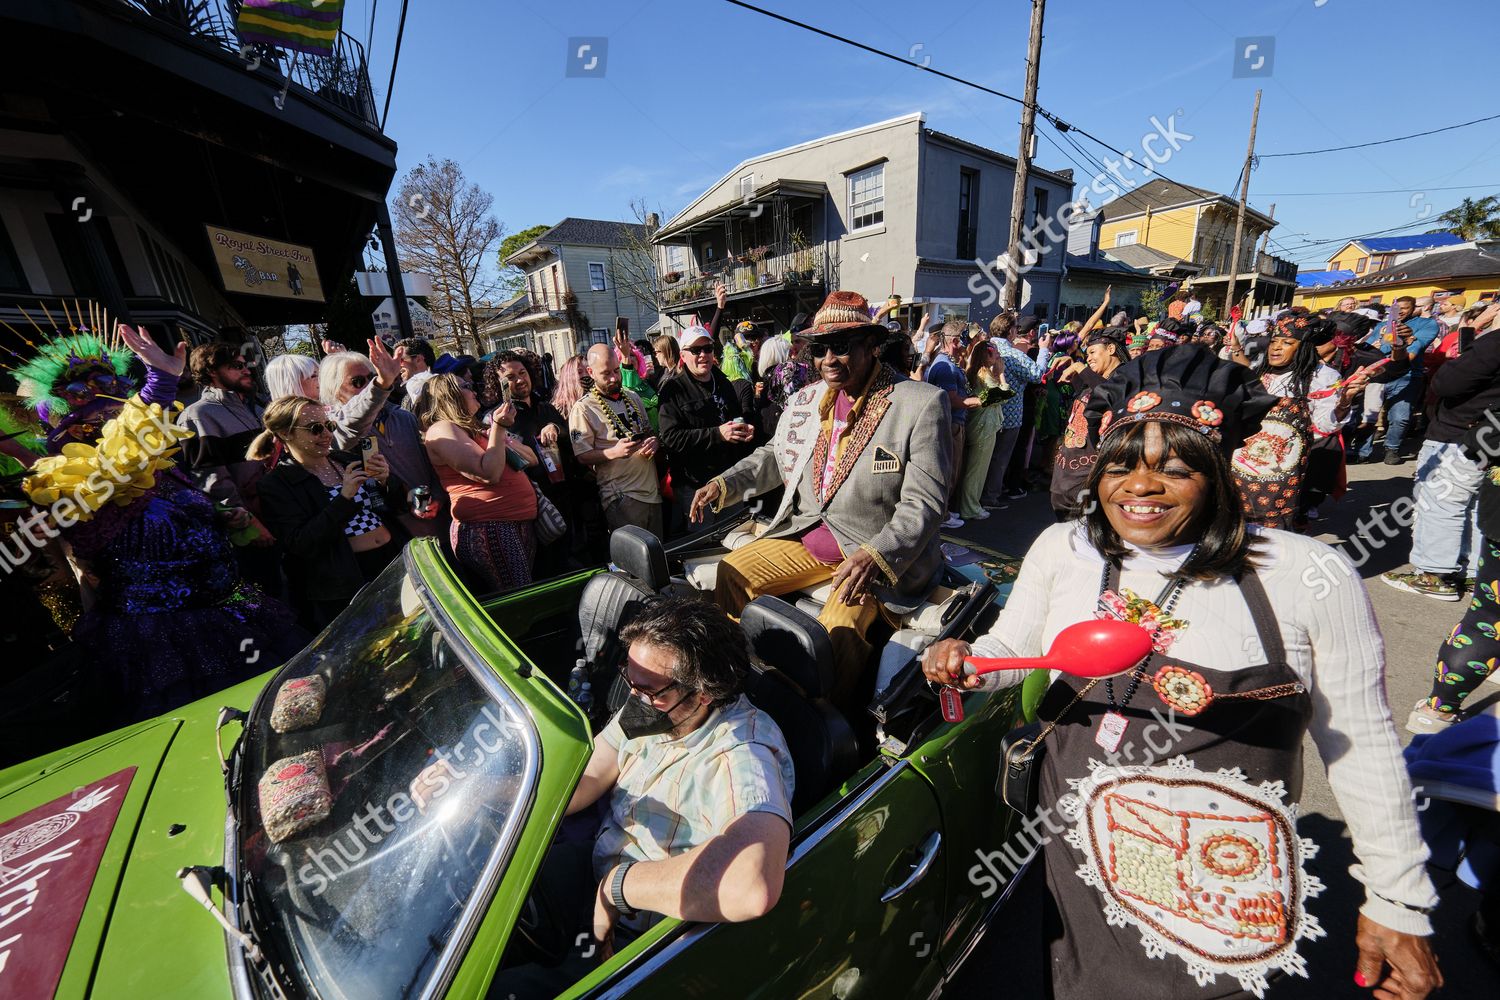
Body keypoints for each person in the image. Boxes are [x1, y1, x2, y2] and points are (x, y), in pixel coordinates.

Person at [923, 347, 1442, 1000]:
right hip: (1083, 863)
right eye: (1120, 466)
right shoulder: (1064, 550)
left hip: (1222, 890)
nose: (1139, 487)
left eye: (1174, 469)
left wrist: (1399, 903)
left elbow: (1360, 747)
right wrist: (968, 663)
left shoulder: (1305, 575)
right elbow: (1010, 650)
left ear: (1221, 473)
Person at [489, 595, 792, 993]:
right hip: (595, 879)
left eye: (647, 690)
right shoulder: (654, 701)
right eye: (628, 678)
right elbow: (590, 773)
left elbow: (750, 886)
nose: (633, 698)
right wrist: (489, 793)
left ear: (702, 693)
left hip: (640, 936)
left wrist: (618, 887)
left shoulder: (741, 755)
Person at [16, 318, 304, 723]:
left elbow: (174, 506)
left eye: (114, 388)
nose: (108, 400)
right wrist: (161, 381)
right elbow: (123, 460)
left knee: (280, 706)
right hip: (169, 639)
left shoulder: (158, 467)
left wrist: (222, 516)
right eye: (84, 396)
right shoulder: (71, 481)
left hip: (231, 612)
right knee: (222, 723)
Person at [689, 291, 951, 706]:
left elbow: (926, 504)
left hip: (872, 557)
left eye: (842, 346)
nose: (828, 358)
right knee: (732, 573)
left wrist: (874, 554)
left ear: (871, 345)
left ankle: (825, 718)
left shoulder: (920, 403)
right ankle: (740, 680)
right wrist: (724, 484)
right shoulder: (808, 400)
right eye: (819, 348)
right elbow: (774, 457)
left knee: (835, 632)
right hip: (808, 537)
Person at [253, 396, 406, 629]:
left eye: (329, 425)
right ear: (285, 434)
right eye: (315, 429)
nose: (326, 434)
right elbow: (301, 543)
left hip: (393, 561)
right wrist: (344, 499)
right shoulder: (277, 484)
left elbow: (392, 507)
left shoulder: (347, 460)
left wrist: (386, 482)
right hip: (347, 582)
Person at [1381, 310, 1500, 602]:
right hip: (1486, 435)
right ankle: (1471, 570)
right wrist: (1471, 334)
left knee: (1440, 504)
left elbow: (1448, 381)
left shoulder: (1495, 342)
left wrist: (1481, 334)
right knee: (1470, 505)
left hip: (1458, 434)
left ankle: (1434, 575)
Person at [1230, 311, 1366, 530]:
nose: (1275, 347)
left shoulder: (1322, 377)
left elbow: (1325, 424)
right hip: (1242, 461)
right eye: (1274, 341)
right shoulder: (1262, 370)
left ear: (1303, 347)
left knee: (1270, 525)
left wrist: (1344, 402)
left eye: (1287, 342)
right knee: (1233, 516)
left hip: (1281, 469)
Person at [417, 373, 540, 592]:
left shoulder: (474, 429)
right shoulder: (441, 429)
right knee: (520, 595)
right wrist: (499, 429)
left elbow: (531, 458)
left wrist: (496, 431)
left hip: (512, 524)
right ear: (449, 395)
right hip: (490, 527)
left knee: (522, 590)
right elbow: (487, 473)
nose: (474, 390)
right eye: (466, 386)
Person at [320, 345, 447, 538]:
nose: (369, 385)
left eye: (372, 377)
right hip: (391, 529)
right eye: (358, 381)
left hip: (434, 518)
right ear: (336, 391)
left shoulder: (404, 417)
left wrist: (437, 498)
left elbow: (432, 466)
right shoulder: (335, 429)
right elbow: (352, 424)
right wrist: (381, 383)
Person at [481, 353, 578, 574]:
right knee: (543, 565)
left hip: (562, 493)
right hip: (531, 504)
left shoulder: (545, 407)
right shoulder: (496, 419)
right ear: (499, 383)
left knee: (567, 555)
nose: (519, 380)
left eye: (522, 373)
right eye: (511, 377)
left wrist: (556, 427)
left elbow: (571, 438)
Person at [658, 326, 755, 531]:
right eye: (696, 350)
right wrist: (717, 434)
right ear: (683, 355)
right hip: (695, 484)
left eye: (708, 348)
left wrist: (744, 429)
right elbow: (670, 438)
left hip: (727, 479)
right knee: (705, 543)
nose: (703, 355)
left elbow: (735, 417)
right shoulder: (673, 390)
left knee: (735, 535)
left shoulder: (722, 382)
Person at [179, 342, 272, 538]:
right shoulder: (198, 415)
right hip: (254, 526)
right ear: (212, 371)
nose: (246, 371)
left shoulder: (257, 406)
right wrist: (249, 525)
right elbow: (213, 481)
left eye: (246, 365)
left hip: (281, 511)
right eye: (237, 366)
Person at [570, 344, 663, 537]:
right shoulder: (583, 408)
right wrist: (614, 452)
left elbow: (647, 432)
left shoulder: (633, 397)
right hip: (621, 496)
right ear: (591, 372)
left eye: (616, 371)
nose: (614, 378)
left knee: (658, 556)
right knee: (635, 561)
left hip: (652, 491)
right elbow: (582, 456)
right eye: (606, 373)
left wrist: (654, 442)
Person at [1050, 326, 1129, 519]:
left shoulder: (1125, 377)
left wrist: (1079, 367)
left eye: (1093, 352)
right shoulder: (1096, 377)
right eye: (1086, 355)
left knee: (1085, 528)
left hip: (1090, 472)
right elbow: (1087, 397)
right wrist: (1073, 367)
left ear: (1111, 349)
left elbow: (1110, 395)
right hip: (1067, 468)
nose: (1089, 358)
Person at [1357, 295, 1440, 464]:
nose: (1400, 311)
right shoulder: (1382, 325)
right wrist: (1381, 338)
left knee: (1400, 417)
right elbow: (1368, 349)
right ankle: (1362, 451)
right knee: (1369, 415)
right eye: (1396, 308)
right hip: (1379, 374)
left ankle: (1391, 449)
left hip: (1407, 375)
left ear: (1414, 308)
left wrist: (1407, 340)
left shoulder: (1426, 325)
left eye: (1404, 308)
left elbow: (1412, 352)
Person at [983, 315, 1054, 510]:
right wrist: (1044, 349)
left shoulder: (983, 348)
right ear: (1011, 331)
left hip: (983, 413)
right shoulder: (1013, 355)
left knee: (984, 458)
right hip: (1010, 413)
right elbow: (1037, 375)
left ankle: (983, 494)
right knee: (1000, 458)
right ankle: (991, 496)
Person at [926, 319, 980, 528]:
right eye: (966, 340)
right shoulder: (945, 366)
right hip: (950, 424)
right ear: (956, 341)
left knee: (952, 471)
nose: (969, 345)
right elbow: (952, 399)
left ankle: (945, 512)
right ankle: (942, 516)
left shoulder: (948, 362)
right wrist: (982, 400)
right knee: (948, 472)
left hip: (954, 423)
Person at [954, 340, 1011, 522]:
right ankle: (970, 508)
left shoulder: (975, 371)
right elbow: (1002, 396)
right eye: (996, 354)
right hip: (983, 427)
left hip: (979, 424)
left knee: (973, 467)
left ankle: (968, 505)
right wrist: (1001, 375)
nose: (999, 357)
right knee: (977, 469)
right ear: (987, 354)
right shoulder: (983, 373)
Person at [395, 336, 436, 406]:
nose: (397, 366)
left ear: (418, 359)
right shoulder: (406, 398)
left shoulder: (442, 389)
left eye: (400, 360)